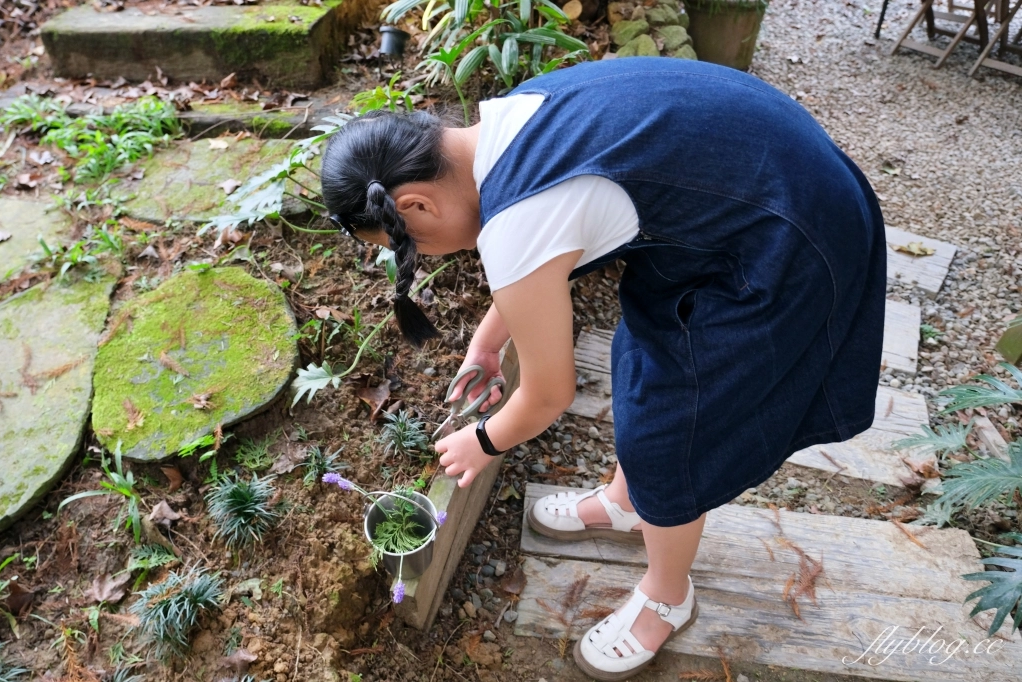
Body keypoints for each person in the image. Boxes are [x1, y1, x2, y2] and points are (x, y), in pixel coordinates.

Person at [319, 57, 886, 681]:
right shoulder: (505, 123)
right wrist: (485, 346)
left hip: (793, 236)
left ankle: (668, 596)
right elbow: (540, 250)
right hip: (757, 192)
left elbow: (549, 393)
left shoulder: (517, 221)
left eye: (409, 244)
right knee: (645, 357)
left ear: (415, 204)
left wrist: (482, 441)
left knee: (675, 432)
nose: (425, 254)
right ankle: (626, 502)